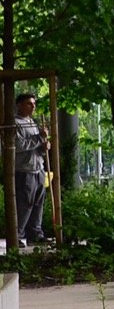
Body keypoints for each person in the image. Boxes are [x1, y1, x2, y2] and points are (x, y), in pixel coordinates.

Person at [14, 92, 50, 246]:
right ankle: (17, 235)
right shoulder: (15, 123)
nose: (33, 107)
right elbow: (19, 145)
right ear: (20, 105)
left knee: (38, 203)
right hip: (24, 169)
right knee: (24, 203)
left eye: (34, 104)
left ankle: (35, 233)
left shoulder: (32, 122)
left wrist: (43, 147)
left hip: (38, 168)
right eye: (29, 103)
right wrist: (39, 138)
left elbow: (35, 146)